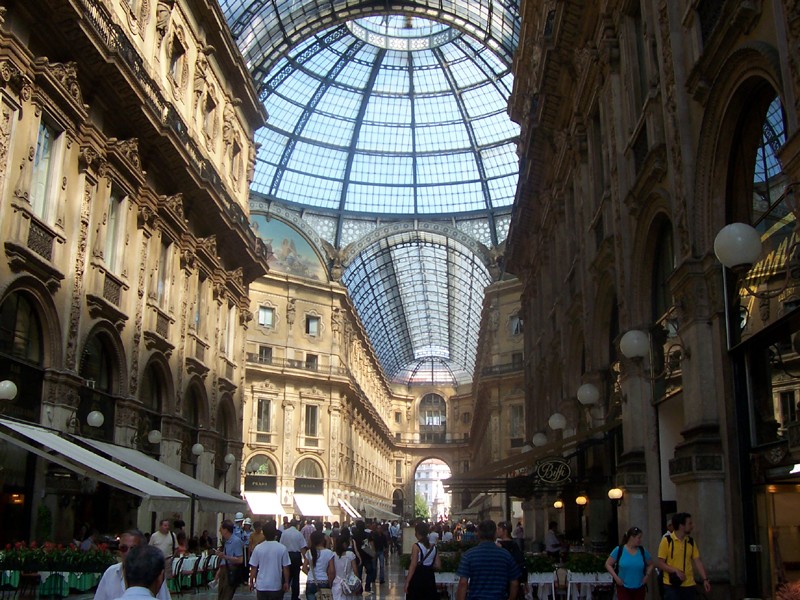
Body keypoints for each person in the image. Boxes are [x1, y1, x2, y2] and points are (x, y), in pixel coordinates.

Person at [94, 530, 171, 600]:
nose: (128, 553)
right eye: (123, 548)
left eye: (133, 548)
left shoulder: (153, 574)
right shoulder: (110, 572)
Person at [455, 520, 521, 600]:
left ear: (478, 534)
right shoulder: (506, 555)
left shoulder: (469, 555)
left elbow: (463, 583)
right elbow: (514, 583)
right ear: (495, 534)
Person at [655, 512, 712, 599]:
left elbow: (697, 561)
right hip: (671, 584)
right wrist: (675, 571)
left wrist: (705, 579)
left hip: (689, 584)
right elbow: (660, 563)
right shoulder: (667, 541)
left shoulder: (691, 542)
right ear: (681, 525)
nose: (692, 526)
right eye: (689, 523)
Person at [605, 526, 654, 600]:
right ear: (632, 537)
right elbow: (608, 564)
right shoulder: (619, 550)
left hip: (639, 587)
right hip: (623, 587)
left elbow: (651, 564)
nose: (640, 540)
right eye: (639, 537)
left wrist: (646, 576)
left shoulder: (642, 551)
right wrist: (616, 578)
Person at [248, 521, 290, 600]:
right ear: (275, 534)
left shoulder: (258, 548)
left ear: (264, 534)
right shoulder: (282, 548)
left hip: (261, 585)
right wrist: (286, 582)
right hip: (276, 584)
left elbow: (254, 567)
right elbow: (285, 567)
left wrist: (251, 582)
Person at [404, 523, 440, 599]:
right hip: (429, 577)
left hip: (418, 577)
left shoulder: (416, 546)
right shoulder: (434, 547)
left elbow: (413, 565)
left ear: (417, 533)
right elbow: (438, 565)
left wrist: (407, 581)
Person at [215, 520, 245, 600]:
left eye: (221, 528)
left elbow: (240, 559)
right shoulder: (227, 541)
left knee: (227, 595)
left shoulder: (236, 541)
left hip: (231, 570)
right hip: (224, 570)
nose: (220, 530)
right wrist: (219, 572)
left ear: (225, 530)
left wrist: (225, 556)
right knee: (221, 594)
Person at [497, 521, 527, 600]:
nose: (497, 531)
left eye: (499, 529)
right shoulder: (514, 544)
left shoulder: (501, 546)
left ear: (505, 531)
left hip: (505, 579)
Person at [303, 531, 335, 600]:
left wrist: (310, 574)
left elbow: (304, 568)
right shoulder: (329, 553)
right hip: (324, 581)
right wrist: (330, 582)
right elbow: (332, 571)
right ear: (322, 540)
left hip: (311, 581)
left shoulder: (309, 552)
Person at [279, 518, 306, 600]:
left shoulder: (284, 533)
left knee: (285, 576)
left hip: (287, 555)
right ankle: (294, 597)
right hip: (296, 556)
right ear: (297, 525)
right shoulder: (299, 534)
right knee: (296, 578)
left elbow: (281, 545)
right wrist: (306, 560)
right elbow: (302, 547)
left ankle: (281, 594)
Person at [331, 533, 359, 600]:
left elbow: (331, 571)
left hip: (335, 583)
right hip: (348, 584)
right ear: (345, 544)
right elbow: (355, 571)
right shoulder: (350, 555)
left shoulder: (332, 555)